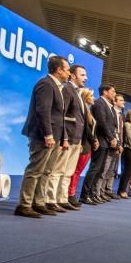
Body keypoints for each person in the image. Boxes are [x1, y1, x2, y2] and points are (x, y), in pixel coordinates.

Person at [15, 55, 69, 218]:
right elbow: (43, 111)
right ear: (59, 70)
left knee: (46, 171)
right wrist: (48, 134)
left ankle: (38, 202)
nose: (69, 74)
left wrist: (62, 137)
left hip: (55, 137)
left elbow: (59, 116)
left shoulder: (57, 87)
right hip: (43, 136)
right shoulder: (46, 84)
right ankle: (24, 205)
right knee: (36, 170)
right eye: (67, 70)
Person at [49, 63, 88, 211]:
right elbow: (61, 115)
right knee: (58, 170)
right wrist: (64, 137)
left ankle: (62, 198)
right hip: (68, 138)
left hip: (76, 139)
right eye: (82, 75)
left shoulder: (77, 92)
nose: (86, 78)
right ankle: (51, 199)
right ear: (73, 75)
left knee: (68, 172)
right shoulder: (68, 90)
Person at [81, 84, 118, 205]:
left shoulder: (109, 106)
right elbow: (102, 123)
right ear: (105, 92)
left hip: (106, 142)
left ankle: (92, 194)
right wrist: (111, 138)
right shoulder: (99, 103)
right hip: (101, 140)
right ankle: (84, 195)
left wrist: (112, 139)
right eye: (113, 91)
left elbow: (111, 125)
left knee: (100, 170)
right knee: (94, 169)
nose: (114, 94)